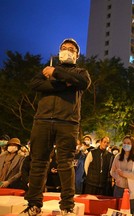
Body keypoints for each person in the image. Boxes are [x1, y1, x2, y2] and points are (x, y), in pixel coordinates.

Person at [20, 38, 91, 216]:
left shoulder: (81, 72)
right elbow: (34, 84)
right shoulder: (45, 70)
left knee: (66, 164)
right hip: (42, 120)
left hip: (68, 122)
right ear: (58, 52)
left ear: (77, 55)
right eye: (64, 48)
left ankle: (67, 206)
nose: (67, 51)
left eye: (71, 49)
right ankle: (34, 204)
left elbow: (82, 83)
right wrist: (64, 84)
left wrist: (55, 73)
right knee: (38, 162)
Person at [110, 135, 134, 215]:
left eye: (128, 143)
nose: (126, 145)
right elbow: (112, 171)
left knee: (129, 211)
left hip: (131, 189)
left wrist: (124, 174)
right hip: (118, 188)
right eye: (124, 143)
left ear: (132, 145)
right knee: (117, 210)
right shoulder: (117, 157)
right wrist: (117, 177)